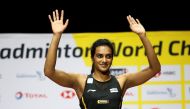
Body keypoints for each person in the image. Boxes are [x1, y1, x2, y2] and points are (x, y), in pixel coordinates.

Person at [44, 9, 161, 109]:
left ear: (112, 59)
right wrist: (56, 36)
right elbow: (49, 72)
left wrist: (143, 36)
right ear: (93, 58)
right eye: (100, 56)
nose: (104, 60)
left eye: (108, 56)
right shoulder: (80, 81)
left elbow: (154, 69)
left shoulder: (121, 81)